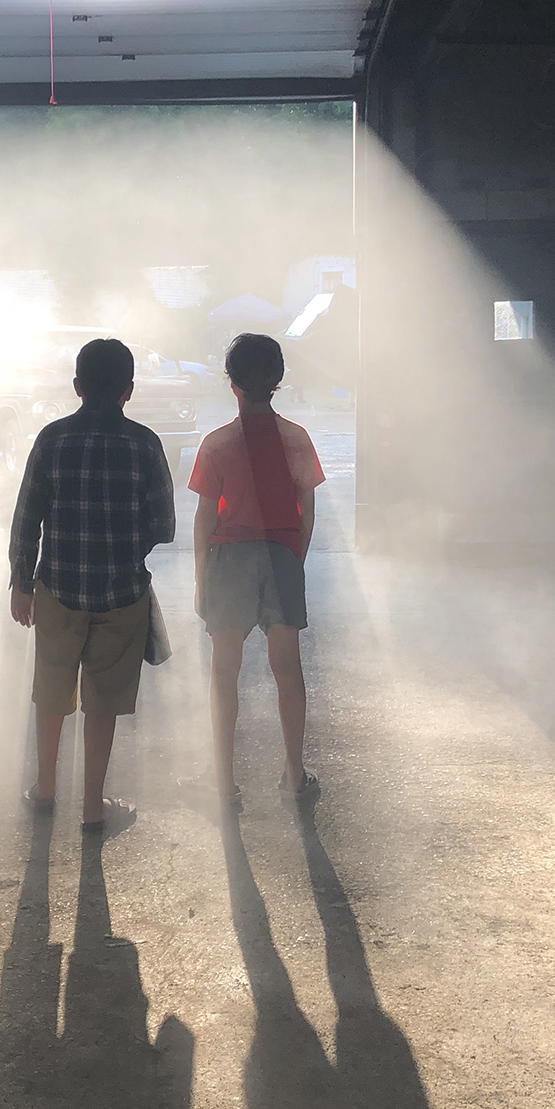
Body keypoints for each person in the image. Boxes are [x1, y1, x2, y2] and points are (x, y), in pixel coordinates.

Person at [9, 337, 175, 832]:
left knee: (52, 689)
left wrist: (21, 581)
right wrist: (124, 550)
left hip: (58, 589)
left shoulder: (52, 439)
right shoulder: (145, 443)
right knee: (103, 699)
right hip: (123, 594)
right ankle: (91, 807)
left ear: (77, 386)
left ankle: (45, 790)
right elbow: (162, 524)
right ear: (130, 390)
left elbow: (27, 517)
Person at [190, 333, 325, 811]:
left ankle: (224, 783)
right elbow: (307, 509)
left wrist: (202, 577)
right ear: (278, 380)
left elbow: (205, 518)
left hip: (230, 557)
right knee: (287, 666)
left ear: (232, 383)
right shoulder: (296, 439)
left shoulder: (218, 443)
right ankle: (293, 772)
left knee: (225, 670)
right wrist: (295, 558)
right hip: (281, 553)